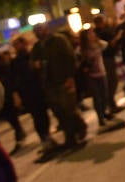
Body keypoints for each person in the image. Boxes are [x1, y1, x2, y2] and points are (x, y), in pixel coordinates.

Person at [30, 22, 87, 150]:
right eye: (37, 31)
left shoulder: (59, 40)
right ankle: (71, 133)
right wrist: (36, 64)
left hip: (62, 79)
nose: (39, 33)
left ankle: (75, 132)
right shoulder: (38, 47)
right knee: (59, 111)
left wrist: (70, 77)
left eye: (41, 30)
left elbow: (70, 58)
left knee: (68, 108)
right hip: (49, 83)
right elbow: (32, 63)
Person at [0, 48, 27, 152]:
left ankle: (19, 134)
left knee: (12, 117)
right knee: (9, 118)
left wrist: (15, 95)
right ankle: (19, 133)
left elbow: (9, 81)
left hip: (7, 96)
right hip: (1, 98)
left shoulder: (3, 67)